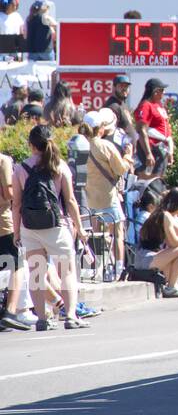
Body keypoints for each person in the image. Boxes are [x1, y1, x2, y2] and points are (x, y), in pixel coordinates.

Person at [12, 125, 88, 329]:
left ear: (31, 145)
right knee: (67, 272)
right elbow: (70, 200)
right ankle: (71, 316)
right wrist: (80, 228)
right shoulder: (59, 166)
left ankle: (42, 320)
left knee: (36, 273)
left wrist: (17, 231)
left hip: (30, 228)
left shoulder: (20, 168)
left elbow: (17, 204)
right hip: (57, 225)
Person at [85, 109, 133, 282]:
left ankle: (98, 267)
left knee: (96, 234)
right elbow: (120, 169)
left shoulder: (78, 144)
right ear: (101, 128)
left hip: (89, 197)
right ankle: (119, 269)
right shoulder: (105, 145)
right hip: (108, 196)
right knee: (117, 232)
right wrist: (128, 155)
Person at [0, 147, 31, 330]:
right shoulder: (3, 161)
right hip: (3, 222)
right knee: (17, 264)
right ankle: (11, 311)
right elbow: (8, 193)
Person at [134, 78, 173, 174]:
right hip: (152, 148)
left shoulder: (158, 105)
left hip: (162, 149)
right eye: (162, 90)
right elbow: (141, 130)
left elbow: (165, 128)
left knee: (159, 179)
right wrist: (148, 154)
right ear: (155, 92)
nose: (164, 92)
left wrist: (170, 151)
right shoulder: (146, 106)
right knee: (151, 180)